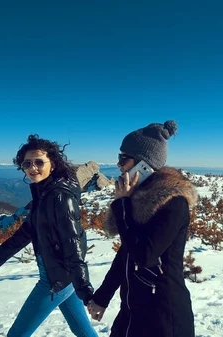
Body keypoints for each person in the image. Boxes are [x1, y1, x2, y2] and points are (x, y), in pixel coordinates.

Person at [87, 120, 197, 337]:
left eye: (123, 158)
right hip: (133, 308)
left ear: (144, 164)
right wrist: (102, 297)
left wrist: (122, 205)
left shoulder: (173, 202)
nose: (118, 164)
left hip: (163, 315)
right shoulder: (138, 200)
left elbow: (143, 255)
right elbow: (126, 253)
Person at [0, 134, 98, 337]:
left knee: (16, 334)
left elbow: (73, 246)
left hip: (56, 280)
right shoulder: (44, 193)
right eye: (27, 163)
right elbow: (26, 232)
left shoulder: (59, 197)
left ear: (52, 164)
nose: (32, 167)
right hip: (62, 276)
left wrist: (86, 291)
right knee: (82, 331)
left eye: (38, 162)